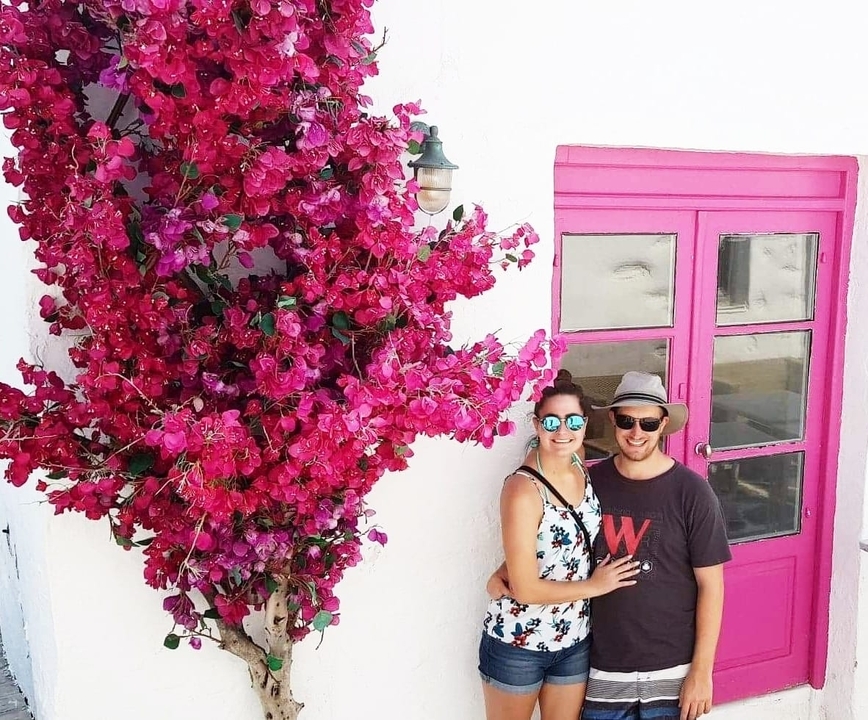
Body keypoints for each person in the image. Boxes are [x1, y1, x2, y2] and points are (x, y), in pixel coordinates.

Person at [489, 371, 731, 720]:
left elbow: (712, 585)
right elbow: (556, 534)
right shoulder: (589, 482)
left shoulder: (692, 493)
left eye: (648, 423)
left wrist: (702, 671)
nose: (636, 432)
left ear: (663, 424)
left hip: (672, 669)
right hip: (603, 668)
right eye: (627, 421)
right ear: (613, 420)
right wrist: (504, 570)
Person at [479, 369, 641, 720]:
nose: (563, 431)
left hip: (573, 639)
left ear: (585, 424)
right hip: (520, 642)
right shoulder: (523, 490)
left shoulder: (578, 461)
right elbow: (525, 590)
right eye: (552, 422)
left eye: (573, 421)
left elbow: (554, 544)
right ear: (537, 425)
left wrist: (503, 570)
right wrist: (596, 586)